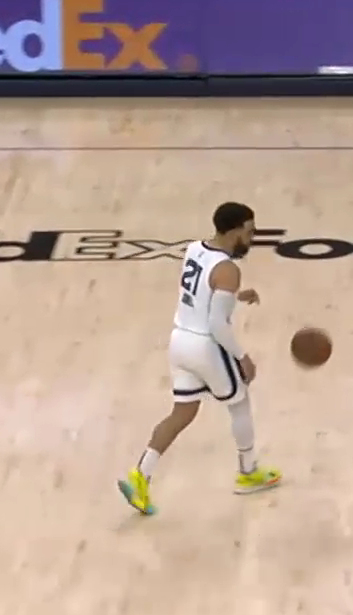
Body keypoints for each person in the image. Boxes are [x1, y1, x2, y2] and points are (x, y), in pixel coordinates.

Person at [118, 202, 281, 516]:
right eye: (249, 232)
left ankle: (140, 476)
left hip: (180, 341)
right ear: (233, 231)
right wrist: (242, 357)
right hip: (206, 346)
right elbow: (218, 324)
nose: (252, 238)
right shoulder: (228, 270)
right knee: (240, 402)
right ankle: (248, 473)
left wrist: (236, 296)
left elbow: (202, 294)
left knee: (181, 413)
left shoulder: (194, 249)